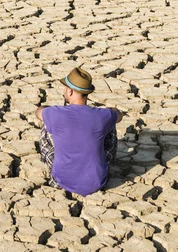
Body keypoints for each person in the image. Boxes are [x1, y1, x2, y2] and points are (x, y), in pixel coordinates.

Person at [35, 67, 123, 196]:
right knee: (110, 124)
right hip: (98, 182)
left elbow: (38, 112)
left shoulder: (55, 113)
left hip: (60, 181)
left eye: (65, 88)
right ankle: (108, 163)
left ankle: (49, 163)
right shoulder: (102, 115)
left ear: (70, 91)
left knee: (46, 122)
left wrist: (49, 109)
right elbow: (119, 115)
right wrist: (110, 111)